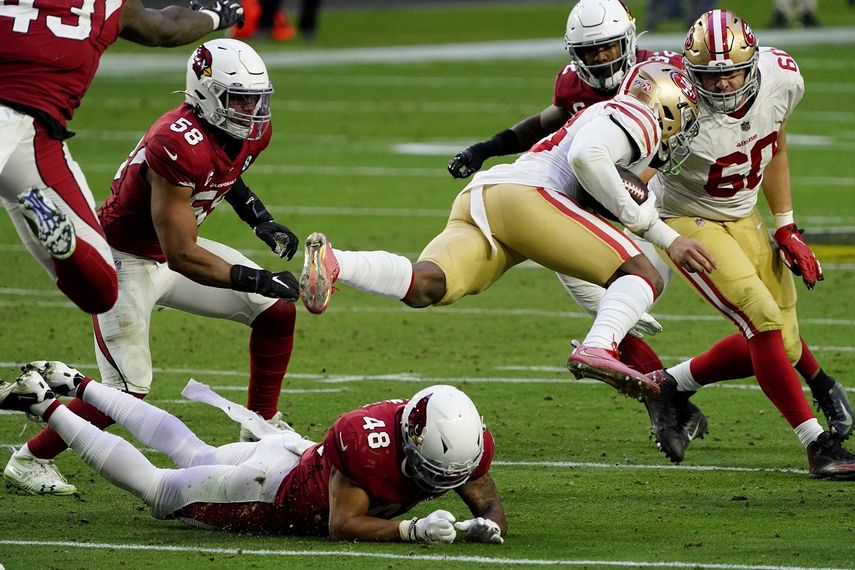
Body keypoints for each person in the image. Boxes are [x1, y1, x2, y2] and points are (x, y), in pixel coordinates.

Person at [299, 60, 714, 403]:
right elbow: (589, 158)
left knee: (429, 285)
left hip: (487, 197)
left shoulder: (602, 114)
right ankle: (597, 347)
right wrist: (663, 235)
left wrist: (615, 310)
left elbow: (571, 247)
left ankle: (336, 262)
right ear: (667, 103)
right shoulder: (638, 115)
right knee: (645, 273)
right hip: (526, 198)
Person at [4, 39, 301, 496]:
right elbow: (182, 254)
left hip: (169, 252)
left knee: (275, 310)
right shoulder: (176, 142)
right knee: (125, 393)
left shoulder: (247, 131)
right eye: (238, 98)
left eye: (256, 98)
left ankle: (259, 421)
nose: (252, 110)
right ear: (204, 93)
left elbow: (227, 167)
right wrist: (259, 276)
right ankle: (28, 460)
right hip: (127, 261)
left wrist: (259, 217)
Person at [635, 9, 855, 479]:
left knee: (784, 342)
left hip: (743, 212)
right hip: (687, 217)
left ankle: (669, 385)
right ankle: (817, 445)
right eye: (709, 77)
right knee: (760, 315)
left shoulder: (781, 78)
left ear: (752, 62)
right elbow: (635, 179)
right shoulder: (676, 101)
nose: (720, 86)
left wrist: (787, 225)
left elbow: (774, 145)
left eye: (730, 72)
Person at [0, 362, 506, 543]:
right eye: (430, 472)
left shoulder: (456, 439)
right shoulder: (367, 445)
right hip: (269, 492)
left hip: (284, 456)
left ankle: (76, 381)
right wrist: (410, 529)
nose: (441, 484)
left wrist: (490, 527)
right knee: (159, 491)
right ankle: (44, 405)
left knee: (191, 451)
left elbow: (483, 497)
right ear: (410, 438)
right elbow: (342, 524)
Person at [0, 0, 246, 316]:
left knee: (99, 294)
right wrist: (214, 16)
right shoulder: (107, 5)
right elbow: (165, 28)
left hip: (30, 133)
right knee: (100, 291)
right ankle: (54, 223)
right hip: (30, 138)